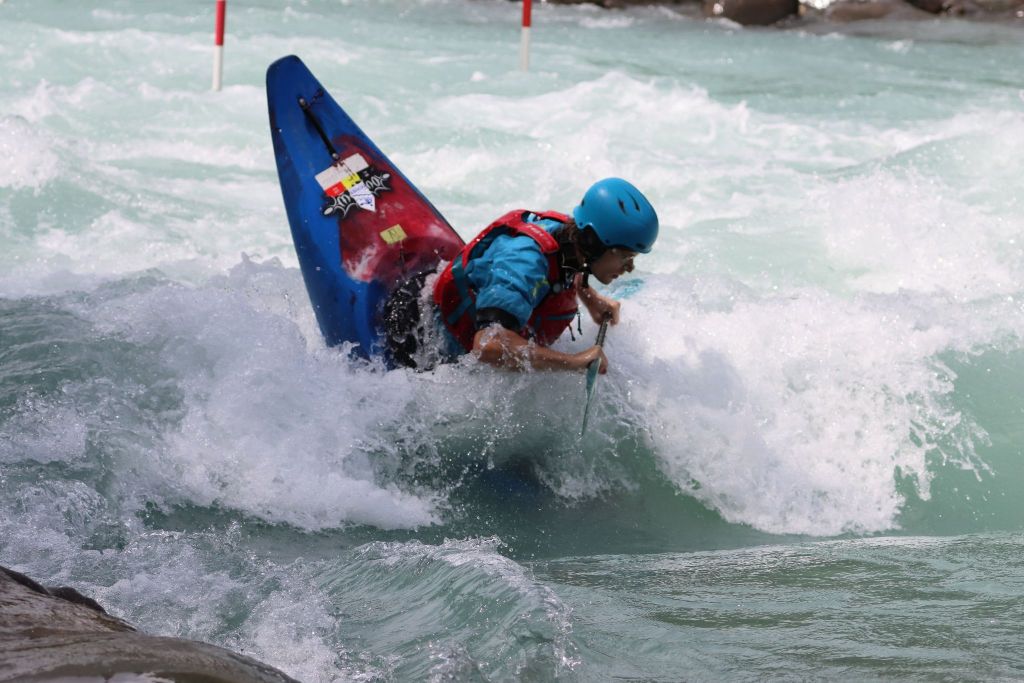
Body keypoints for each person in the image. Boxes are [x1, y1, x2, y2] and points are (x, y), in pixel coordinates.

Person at [428, 177, 658, 373]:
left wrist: (590, 297)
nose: (629, 268)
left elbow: (563, 266)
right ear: (594, 243)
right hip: (428, 344)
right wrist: (573, 362)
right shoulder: (524, 262)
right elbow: (488, 346)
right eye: (625, 256)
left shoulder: (570, 236)